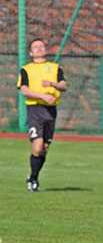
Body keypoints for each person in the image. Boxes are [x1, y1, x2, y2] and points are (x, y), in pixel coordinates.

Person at [16, 38, 68, 192]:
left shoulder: (55, 67)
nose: (39, 48)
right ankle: (33, 180)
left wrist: (53, 85)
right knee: (37, 147)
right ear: (31, 53)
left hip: (51, 110)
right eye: (35, 47)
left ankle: (33, 177)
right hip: (35, 109)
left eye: (41, 46)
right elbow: (24, 90)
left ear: (46, 50)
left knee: (45, 147)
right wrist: (43, 96)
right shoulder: (26, 69)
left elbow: (64, 85)